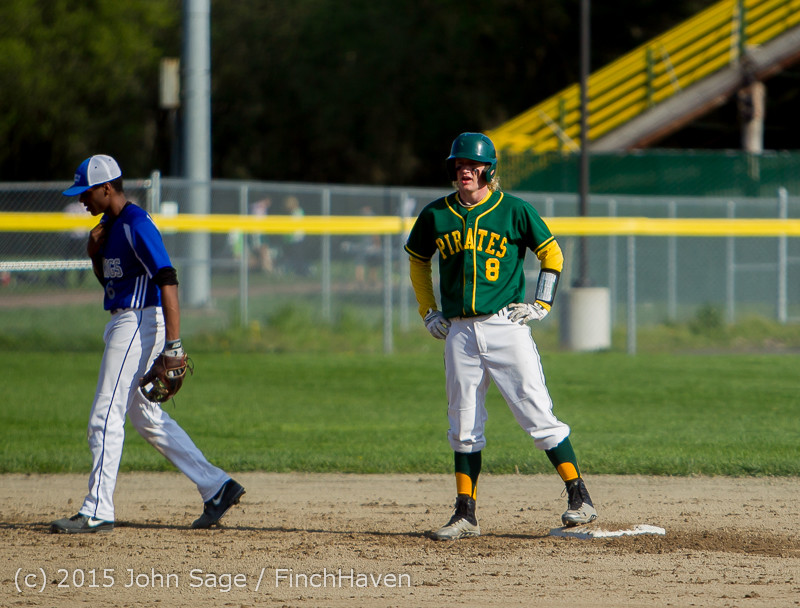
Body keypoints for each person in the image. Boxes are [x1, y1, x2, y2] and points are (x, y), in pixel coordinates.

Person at [404, 133, 597, 541]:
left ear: (489, 170)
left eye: (472, 166)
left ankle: (579, 497)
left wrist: (541, 304)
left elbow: (553, 254)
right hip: (459, 331)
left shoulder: (513, 210)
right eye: (458, 166)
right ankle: (465, 513)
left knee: (537, 414)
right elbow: (418, 261)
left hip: (506, 325)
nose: (464, 172)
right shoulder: (436, 215)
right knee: (463, 422)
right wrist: (428, 311)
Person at [51, 155, 244, 534]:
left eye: (86, 192)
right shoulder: (108, 227)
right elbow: (111, 283)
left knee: (105, 413)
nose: (81, 201)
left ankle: (97, 509)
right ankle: (217, 486)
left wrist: (174, 345)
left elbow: (167, 278)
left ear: (107, 188)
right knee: (145, 415)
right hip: (126, 319)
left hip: (139, 321)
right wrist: (94, 255)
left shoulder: (137, 223)